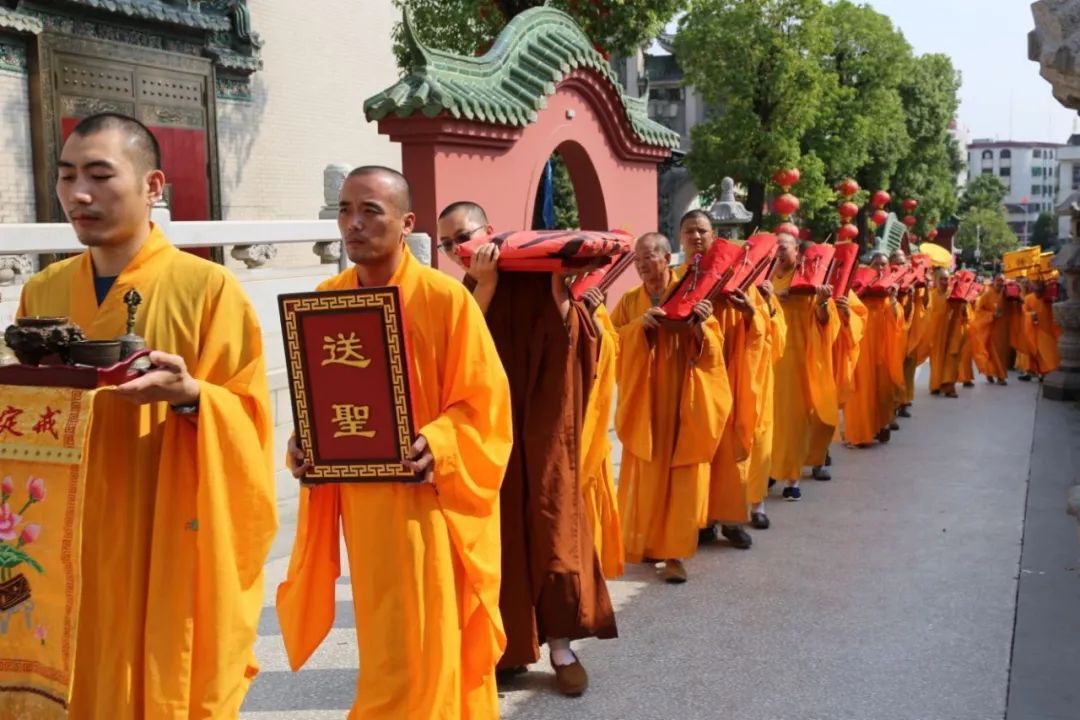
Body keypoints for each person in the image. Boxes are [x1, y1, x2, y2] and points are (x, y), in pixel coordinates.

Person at [16, 112, 277, 718]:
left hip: (162, 536)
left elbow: (250, 423)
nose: (79, 195)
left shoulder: (208, 289)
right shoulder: (44, 292)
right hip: (66, 540)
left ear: (154, 187)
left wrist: (192, 397)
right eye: (67, 176)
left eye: (101, 175)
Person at [278, 168, 514, 719]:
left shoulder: (446, 301)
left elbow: (485, 405)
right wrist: (305, 442)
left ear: (407, 223)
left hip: (427, 503)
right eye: (344, 211)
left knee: (429, 638)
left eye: (370, 211)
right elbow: (329, 398)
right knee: (385, 642)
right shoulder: (327, 300)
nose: (353, 225)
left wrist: (439, 441)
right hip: (363, 506)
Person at [436, 201, 616, 697]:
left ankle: (561, 644)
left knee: (552, 523)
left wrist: (563, 297)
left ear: (490, 233)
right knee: (498, 538)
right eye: (448, 244)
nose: (458, 250)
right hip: (485, 436)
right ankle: (506, 648)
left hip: (542, 427)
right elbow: (453, 354)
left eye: (463, 236)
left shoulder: (538, 276)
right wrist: (487, 288)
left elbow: (572, 347)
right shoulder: (461, 295)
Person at [612, 232, 732, 583]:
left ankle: (675, 553)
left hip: (682, 399)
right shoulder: (632, 300)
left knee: (680, 477)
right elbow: (611, 339)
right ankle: (648, 543)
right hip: (645, 403)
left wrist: (700, 326)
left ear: (667, 258)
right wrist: (639, 329)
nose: (642, 266)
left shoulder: (691, 293)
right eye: (637, 260)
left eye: (649, 257)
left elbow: (713, 346)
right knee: (647, 476)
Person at [677, 212, 764, 547]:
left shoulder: (738, 278)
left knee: (730, 452)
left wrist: (749, 313)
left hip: (730, 373)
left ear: (713, 235)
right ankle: (700, 519)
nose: (696, 236)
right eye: (689, 231)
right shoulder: (678, 278)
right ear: (681, 238)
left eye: (702, 230)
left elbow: (764, 330)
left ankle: (730, 520)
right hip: (695, 376)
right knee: (700, 447)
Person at [769, 233, 839, 500]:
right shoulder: (766, 278)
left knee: (795, 421)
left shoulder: (808, 279)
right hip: (768, 358)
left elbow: (824, 320)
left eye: (783, 248)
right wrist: (773, 296)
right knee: (769, 421)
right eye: (775, 248)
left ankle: (792, 478)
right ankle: (771, 470)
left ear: (796, 250)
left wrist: (822, 301)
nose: (778, 253)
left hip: (796, 359)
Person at [842, 252, 904, 446]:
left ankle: (881, 425)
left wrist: (893, 299)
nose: (879, 269)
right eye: (876, 264)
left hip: (883, 346)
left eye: (883, 265)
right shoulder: (859, 286)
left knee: (882, 388)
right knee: (862, 389)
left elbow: (897, 318)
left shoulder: (889, 291)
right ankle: (860, 433)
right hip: (862, 344)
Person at [927, 267, 967, 398]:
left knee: (951, 358)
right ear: (935, 280)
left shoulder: (953, 294)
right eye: (942, 279)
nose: (944, 282)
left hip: (952, 332)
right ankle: (936, 385)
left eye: (947, 279)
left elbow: (963, 314)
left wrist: (963, 306)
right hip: (936, 333)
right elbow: (926, 315)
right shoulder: (931, 296)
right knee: (937, 360)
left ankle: (949, 387)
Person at [971, 275, 1010, 385]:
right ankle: (999, 376)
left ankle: (997, 374)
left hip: (1002, 329)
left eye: (1002, 281)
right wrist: (992, 315)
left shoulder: (1006, 295)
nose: (1000, 283)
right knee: (992, 353)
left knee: (1002, 354)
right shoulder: (987, 295)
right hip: (990, 328)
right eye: (998, 280)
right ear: (993, 282)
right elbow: (978, 311)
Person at [1022, 277, 1062, 379]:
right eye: (1035, 287)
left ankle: (1049, 373)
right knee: (1038, 354)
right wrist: (1031, 315)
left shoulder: (1049, 298)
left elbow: (1056, 311)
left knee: (1050, 354)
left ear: (1044, 288)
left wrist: (1055, 302)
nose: (1038, 290)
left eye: (1040, 287)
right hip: (1034, 331)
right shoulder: (1028, 298)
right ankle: (1042, 374)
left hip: (1048, 330)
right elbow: (1024, 312)